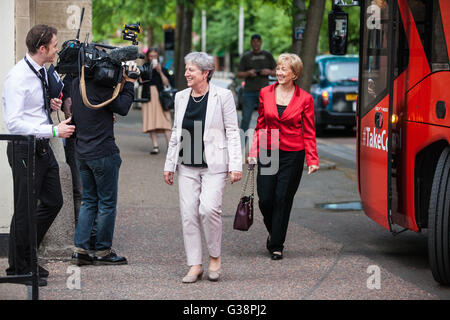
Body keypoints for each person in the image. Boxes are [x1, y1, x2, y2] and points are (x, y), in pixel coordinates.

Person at [2, 24, 75, 286]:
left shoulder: (42, 71)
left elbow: (33, 109)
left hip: (42, 147)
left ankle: (27, 255)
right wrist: (54, 130)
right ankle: (18, 269)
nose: (57, 49)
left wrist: (50, 104)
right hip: (24, 148)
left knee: (54, 201)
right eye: (54, 46)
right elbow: (15, 123)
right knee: (24, 209)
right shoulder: (17, 77)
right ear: (42, 48)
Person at [164, 52, 242, 283]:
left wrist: (235, 164)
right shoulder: (180, 97)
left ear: (205, 73)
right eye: (187, 69)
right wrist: (169, 164)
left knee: (208, 210)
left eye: (191, 70)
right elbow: (176, 131)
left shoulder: (223, 96)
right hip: (186, 164)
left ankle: (214, 258)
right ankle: (195, 265)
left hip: (214, 164)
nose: (186, 73)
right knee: (188, 214)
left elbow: (233, 132)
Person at [248, 53, 319, 260]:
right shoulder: (265, 93)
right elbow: (260, 124)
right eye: (278, 68)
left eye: (283, 69)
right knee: (266, 199)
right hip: (268, 151)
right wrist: (253, 152)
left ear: (294, 74)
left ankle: (276, 243)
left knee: (282, 198)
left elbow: (309, 130)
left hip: (292, 153)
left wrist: (312, 159)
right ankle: (274, 230)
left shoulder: (305, 99)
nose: (279, 72)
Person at [70, 62, 139, 266]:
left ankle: (81, 250)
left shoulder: (77, 84)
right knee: (107, 203)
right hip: (103, 153)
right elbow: (124, 107)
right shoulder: (103, 88)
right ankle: (102, 251)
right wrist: (129, 82)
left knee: (89, 201)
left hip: (82, 152)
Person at [237, 34, 276, 135]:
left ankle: (265, 145)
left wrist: (269, 72)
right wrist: (248, 73)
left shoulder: (267, 55)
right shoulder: (246, 56)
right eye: (253, 41)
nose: (256, 43)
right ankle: (241, 147)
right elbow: (239, 74)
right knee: (245, 119)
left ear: (261, 42)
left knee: (266, 119)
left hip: (265, 92)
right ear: (251, 43)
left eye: (258, 41)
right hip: (249, 91)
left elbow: (277, 71)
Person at [140, 48, 173, 155]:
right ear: (148, 57)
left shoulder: (163, 68)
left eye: (155, 56)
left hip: (160, 97)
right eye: (151, 56)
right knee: (151, 121)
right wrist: (149, 70)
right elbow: (141, 82)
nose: (153, 58)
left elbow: (167, 83)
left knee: (166, 121)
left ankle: (170, 146)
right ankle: (155, 146)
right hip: (148, 96)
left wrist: (160, 72)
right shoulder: (144, 68)